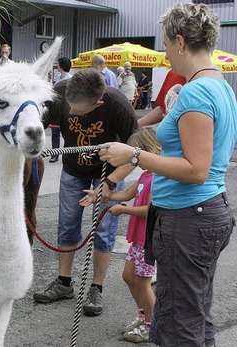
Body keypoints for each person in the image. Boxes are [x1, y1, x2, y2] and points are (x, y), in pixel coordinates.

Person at [98, 4, 237, 346]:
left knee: (178, 325)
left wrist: (134, 154)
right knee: (193, 314)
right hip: (203, 212)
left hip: (189, 217)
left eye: (164, 45)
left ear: (179, 41)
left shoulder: (196, 92)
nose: (164, 55)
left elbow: (196, 169)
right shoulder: (218, 84)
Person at [35, 68, 137, 317]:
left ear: (98, 102)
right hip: (72, 170)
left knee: (103, 230)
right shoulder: (57, 94)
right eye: (70, 107)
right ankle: (63, 283)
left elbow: (138, 154)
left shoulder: (118, 106)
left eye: (79, 111)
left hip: (107, 173)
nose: (71, 113)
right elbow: (34, 127)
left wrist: (110, 184)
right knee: (67, 226)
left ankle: (96, 287)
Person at [80, 127, 160, 343]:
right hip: (138, 238)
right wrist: (104, 196)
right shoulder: (145, 175)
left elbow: (150, 211)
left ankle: (152, 326)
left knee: (143, 283)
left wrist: (123, 209)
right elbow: (127, 193)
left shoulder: (159, 178)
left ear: (149, 150)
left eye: (136, 155)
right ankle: (144, 315)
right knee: (128, 276)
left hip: (148, 240)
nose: (134, 161)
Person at [49, 57, 73, 163]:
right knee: (55, 133)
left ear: (61, 66)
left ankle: (68, 154)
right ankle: (55, 154)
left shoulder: (71, 80)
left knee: (67, 133)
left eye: (58, 65)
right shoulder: (57, 77)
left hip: (66, 110)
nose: (57, 66)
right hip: (56, 108)